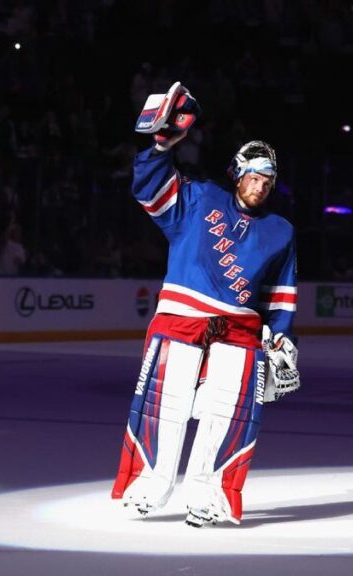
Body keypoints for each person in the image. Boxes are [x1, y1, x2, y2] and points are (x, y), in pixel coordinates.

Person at [111, 83, 300, 528]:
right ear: (237, 174)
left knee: (226, 413)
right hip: (182, 314)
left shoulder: (281, 230)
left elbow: (281, 293)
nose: (260, 186)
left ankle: (208, 493)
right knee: (166, 404)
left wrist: (280, 335)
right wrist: (161, 145)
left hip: (240, 327)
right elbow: (147, 188)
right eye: (254, 176)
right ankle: (152, 485)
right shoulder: (198, 198)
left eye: (268, 180)